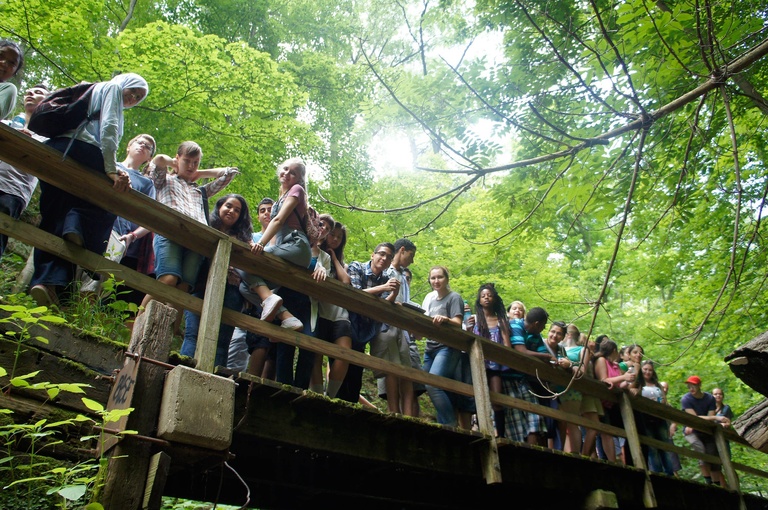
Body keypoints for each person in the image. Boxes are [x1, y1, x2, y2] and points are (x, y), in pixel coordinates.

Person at [29, 73, 149, 307]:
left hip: (59, 149)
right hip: (85, 150)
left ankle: (47, 283)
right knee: (110, 202)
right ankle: (78, 231)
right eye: (133, 91)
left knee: (54, 218)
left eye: (138, 97)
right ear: (125, 82)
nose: (133, 98)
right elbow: (110, 128)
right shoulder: (113, 88)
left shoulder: (93, 90)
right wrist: (111, 169)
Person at [140, 140, 239, 329]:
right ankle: (136, 322)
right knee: (168, 279)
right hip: (170, 232)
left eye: (196, 162)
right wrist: (175, 165)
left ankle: (167, 334)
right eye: (187, 161)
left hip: (197, 241)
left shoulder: (199, 190)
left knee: (184, 288)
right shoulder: (164, 180)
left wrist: (198, 174)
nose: (192, 166)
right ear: (177, 158)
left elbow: (229, 173)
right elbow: (159, 160)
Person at [246, 157, 317, 388]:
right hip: (290, 247)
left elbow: (278, 220)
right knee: (245, 282)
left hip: (296, 245)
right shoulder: (281, 194)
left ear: (299, 179)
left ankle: (278, 309)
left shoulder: (296, 191)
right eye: (285, 169)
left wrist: (261, 245)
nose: (287, 174)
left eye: (294, 172)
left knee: (247, 264)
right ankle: (286, 317)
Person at [80, 134, 157, 304]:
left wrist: (133, 236)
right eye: (139, 142)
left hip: (118, 234)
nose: (143, 146)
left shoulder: (146, 184)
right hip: (91, 223)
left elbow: (149, 218)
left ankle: (80, 320)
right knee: (77, 269)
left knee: (97, 283)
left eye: (148, 147)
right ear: (128, 146)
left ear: (149, 157)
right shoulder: (109, 165)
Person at [180, 194, 253, 368]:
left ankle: (215, 379)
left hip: (232, 289)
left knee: (222, 340)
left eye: (237, 210)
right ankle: (183, 369)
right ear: (220, 206)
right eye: (229, 206)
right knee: (193, 333)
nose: (232, 211)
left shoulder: (243, 238)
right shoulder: (205, 224)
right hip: (200, 285)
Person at [338, 242, 400, 404]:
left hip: (365, 328)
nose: (384, 258)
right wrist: (384, 288)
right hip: (347, 322)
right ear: (373, 255)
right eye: (381, 254)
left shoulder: (386, 278)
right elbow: (355, 293)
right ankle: (332, 398)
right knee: (342, 361)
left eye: (389, 257)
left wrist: (394, 294)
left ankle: (350, 405)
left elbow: (384, 306)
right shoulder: (357, 267)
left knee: (356, 371)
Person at [0, 83, 49, 259]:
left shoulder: (47, 136)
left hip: (12, 191)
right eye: (29, 91)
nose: (30, 93)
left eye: (38, 93)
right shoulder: (6, 122)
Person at [371, 238, 417, 415]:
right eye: (411, 255)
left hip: (403, 328)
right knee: (391, 368)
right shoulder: (385, 270)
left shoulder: (404, 277)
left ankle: (407, 414)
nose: (412, 260)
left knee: (406, 369)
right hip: (385, 325)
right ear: (402, 250)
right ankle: (393, 412)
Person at [230, 197, 273, 375]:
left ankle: (252, 384)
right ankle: (230, 376)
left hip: (270, 298)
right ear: (257, 217)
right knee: (237, 344)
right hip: (248, 298)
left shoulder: (280, 241)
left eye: (270, 209)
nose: (266, 213)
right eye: (262, 210)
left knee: (263, 343)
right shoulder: (250, 237)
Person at [311, 220, 352, 398]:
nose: (334, 239)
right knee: (316, 354)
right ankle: (318, 395)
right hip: (320, 311)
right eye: (332, 234)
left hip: (340, 315)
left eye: (339, 237)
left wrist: (335, 258)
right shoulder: (315, 252)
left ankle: (331, 396)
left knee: (344, 354)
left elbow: (346, 281)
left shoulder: (342, 263)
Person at [421, 266, 467, 427]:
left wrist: (445, 319)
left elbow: (458, 322)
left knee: (432, 383)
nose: (436, 281)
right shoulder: (430, 299)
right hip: (430, 347)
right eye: (433, 278)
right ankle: (444, 422)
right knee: (427, 383)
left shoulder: (454, 297)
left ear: (446, 279)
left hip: (447, 347)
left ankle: (450, 423)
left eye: (439, 277)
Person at [501, 306, 550, 444]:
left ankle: (532, 448)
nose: (543, 328)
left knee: (534, 414)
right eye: (543, 325)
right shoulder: (516, 325)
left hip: (522, 378)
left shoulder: (536, 335)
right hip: (507, 376)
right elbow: (520, 350)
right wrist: (545, 356)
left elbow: (544, 355)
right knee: (514, 415)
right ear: (537, 324)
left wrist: (550, 359)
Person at [473, 283, 512, 438]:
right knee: (478, 396)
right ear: (479, 299)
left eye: (489, 295)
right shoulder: (475, 319)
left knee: (497, 399)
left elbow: (507, 344)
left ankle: (500, 434)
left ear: (494, 298)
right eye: (483, 296)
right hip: (478, 363)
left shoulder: (501, 320)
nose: (486, 298)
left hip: (495, 365)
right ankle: (479, 429)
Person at [593, 338, 636, 463]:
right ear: (614, 350)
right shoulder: (601, 360)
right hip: (603, 401)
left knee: (616, 432)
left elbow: (619, 383)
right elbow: (604, 380)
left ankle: (616, 459)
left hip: (613, 404)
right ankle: (611, 460)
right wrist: (624, 376)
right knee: (606, 432)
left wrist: (628, 381)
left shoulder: (614, 365)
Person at [681, 375, 729, 486]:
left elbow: (709, 418)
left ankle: (716, 483)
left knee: (712, 455)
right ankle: (708, 481)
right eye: (689, 386)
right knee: (701, 450)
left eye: (693, 385)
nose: (691, 388)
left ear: (699, 386)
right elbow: (695, 418)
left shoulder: (709, 398)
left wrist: (712, 418)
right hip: (691, 430)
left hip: (706, 430)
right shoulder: (686, 399)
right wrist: (717, 418)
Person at [632, 360, 675, 476]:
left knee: (664, 446)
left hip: (659, 418)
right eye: (645, 369)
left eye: (650, 370)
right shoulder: (639, 384)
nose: (647, 372)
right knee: (652, 448)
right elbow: (632, 393)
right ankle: (658, 473)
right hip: (645, 418)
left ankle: (669, 473)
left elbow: (664, 400)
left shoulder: (657, 385)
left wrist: (659, 402)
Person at [0, 39, 23, 120]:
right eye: (1, 55)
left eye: (12, 63)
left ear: (14, 73)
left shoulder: (7, 89)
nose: (3, 62)